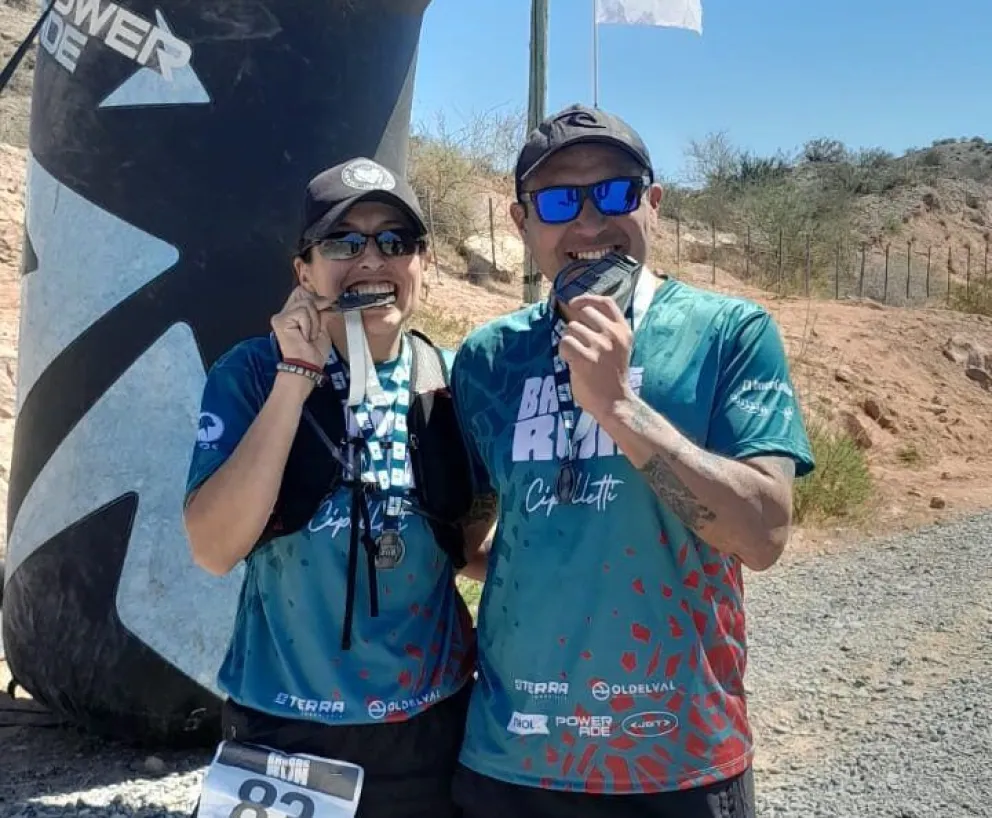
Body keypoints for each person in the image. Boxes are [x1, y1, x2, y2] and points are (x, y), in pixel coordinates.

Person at [447, 104, 816, 818]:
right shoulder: (488, 359)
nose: (588, 223)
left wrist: (620, 410)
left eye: (613, 193)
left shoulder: (728, 334)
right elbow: (461, 536)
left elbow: (764, 535)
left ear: (652, 203)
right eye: (558, 201)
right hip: (510, 761)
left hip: (676, 762)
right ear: (522, 225)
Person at [182, 156, 495, 818]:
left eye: (393, 241)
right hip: (282, 723)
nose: (371, 261)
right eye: (343, 242)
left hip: (429, 723)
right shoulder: (249, 374)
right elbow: (212, 548)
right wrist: (296, 377)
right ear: (303, 270)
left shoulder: (450, 382)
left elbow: (467, 547)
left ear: (422, 263)